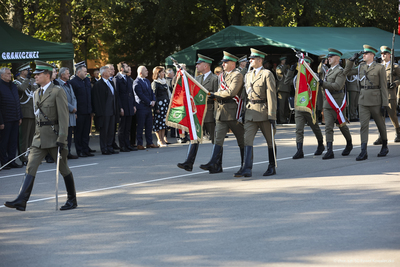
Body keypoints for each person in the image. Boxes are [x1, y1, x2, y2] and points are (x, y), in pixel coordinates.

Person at [4, 60, 77, 211]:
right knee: (30, 167)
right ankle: (21, 200)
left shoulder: (57, 91)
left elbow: (63, 117)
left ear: (47, 75)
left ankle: (72, 199)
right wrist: (34, 139)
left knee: (63, 169)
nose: (35, 76)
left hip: (55, 138)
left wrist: (62, 138)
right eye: (35, 74)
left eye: (38, 74)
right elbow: (38, 118)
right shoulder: (37, 93)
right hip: (39, 139)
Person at [234, 48, 277, 177]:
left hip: (263, 112)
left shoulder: (267, 74)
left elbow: (271, 95)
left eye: (252, 59)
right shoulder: (247, 75)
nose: (250, 61)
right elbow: (244, 95)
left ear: (260, 60)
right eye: (250, 59)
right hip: (250, 112)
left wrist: (272, 115)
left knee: (270, 141)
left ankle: (272, 166)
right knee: (247, 139)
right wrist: (242, 111)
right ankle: (247, 168)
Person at [200, 51, 244, 174]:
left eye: (225, 62)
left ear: (233, 64)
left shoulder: (237, 75)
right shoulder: (222, 76)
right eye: (223, 62)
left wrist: (214, 94)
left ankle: (244, 165)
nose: (223, 64)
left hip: (233, 111)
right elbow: (221, 92)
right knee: (218, 139)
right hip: (221, 112)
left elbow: (231, 92)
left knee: (242, 140)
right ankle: (214, 162)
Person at [344, 45, 389, 160]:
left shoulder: (379, 67)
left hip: (376, 100)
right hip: (363, 100)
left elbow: (384, 87)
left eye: (366, 54)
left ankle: (384, 145)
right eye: (363, 53)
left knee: (380, 125)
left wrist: (385, 104)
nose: (364, 55)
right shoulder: (360, 67)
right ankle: (363, 151)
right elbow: (346, 72)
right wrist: (351, 61)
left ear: (373, 55)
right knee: (363, 126)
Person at [177, 54, 218, 171]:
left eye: (199, 64)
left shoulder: (215, 79)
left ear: (206, 65)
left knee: (216, 139)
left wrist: (216, 114)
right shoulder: (197, 79)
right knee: (194, 137)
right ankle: (188, 162)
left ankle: (216, 164)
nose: (197, 66)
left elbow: (217, 97)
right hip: (199, 114)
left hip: (210, 111)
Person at [285, 56, 325, 159]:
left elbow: (318, 92)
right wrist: (291, 70)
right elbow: (286, 83)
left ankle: (321, 144)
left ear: (308, 65)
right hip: (299, 106)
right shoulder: (296, 76)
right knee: (299, 129)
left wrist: (320, 107)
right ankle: (299, 150)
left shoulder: (314, 76)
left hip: (310, 106)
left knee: (315, 127)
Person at [319, 48, 353, 160]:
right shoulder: (328, 71)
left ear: (337, 58)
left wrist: (324, 84)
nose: (328, 58)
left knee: (341, 125)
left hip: (338, 103)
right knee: (328, 127)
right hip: (328, 103)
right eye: (328, 56)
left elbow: (338, 86)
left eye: (331, 56)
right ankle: (329, 150)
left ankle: (349, 143)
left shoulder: (340, 71)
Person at [372, 46, 400, 144]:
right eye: (381, 54)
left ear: (389, 55)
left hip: (390, 95)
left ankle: (398, 132)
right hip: (379, 95)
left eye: (385, 53)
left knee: (392, 115)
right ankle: (381, 136)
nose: (382, 55)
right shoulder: (378, 66)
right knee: (380, 117)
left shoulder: (395, 67)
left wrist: (395, 83)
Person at [92, 65, 120, 155]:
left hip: (112, 110)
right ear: (103, 73)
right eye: (108, 71)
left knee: (111, 130)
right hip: (104, 112)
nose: (110, 73)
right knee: (104, 131)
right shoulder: (98, 85)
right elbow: (96, 100)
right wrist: (99, 112)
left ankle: (109, 147)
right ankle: (104, 148)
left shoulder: (110, 83)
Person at [14, 62, 38, 165]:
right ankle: (23, 157)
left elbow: (37, 90)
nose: (29, 72)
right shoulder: (17, 82)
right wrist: (27, 79)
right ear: (22, 71)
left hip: (33, 111)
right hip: (25, 112)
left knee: (32, 136)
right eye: (27, 70)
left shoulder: (32, 80)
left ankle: (31, 156)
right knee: (24, 136)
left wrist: (29, 80)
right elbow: (21, 89)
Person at [70, 62, 94, 157]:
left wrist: (91, 109)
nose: (86, 73)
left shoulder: (87, 81)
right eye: (84, 71)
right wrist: (74, 112)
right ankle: (79, 150)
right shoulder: (73, 82)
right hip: (79, 111)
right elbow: (73, 98)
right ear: (78, 72)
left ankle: (86, 149)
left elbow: (90, 95)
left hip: (87, 111)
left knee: (86, 132)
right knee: (78, 132)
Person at [0, 67, 23, 170]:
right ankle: (4, 162)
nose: (10, 75)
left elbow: (17, 102)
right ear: (2, 75)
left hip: (15, 118)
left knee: (13, 141)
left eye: (10, 73)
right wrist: (1, 121)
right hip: (5, 120)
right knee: (4, 142)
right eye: (8, 74)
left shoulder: (13, 85)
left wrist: (19, 116)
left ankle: (12, 160)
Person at [133, 66, 158, 150]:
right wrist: (149, 102)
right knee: (140, 126)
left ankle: (149, 142)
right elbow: (140, 95)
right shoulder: (136, 82)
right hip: (141, 107)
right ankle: (139, 143)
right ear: (140, 72)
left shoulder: (147, 81)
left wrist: (153, 100)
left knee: (149, 125)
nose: (147, 72)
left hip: (148, 107)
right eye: (145, 70)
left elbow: (151, 92)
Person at [56, 67, 78, 159]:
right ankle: (62, 153)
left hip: (72, 112)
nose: (69, 75)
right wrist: (71, 107)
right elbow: (62, 99)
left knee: (69, 134)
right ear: (62, 75)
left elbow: (73, 97)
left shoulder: (68, 84)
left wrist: (74, 107)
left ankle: (68, 152)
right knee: (64, 134)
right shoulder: (58, 84)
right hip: (65, 112)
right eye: (67, 73)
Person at [115, 62, 136, 152]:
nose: (129, 68)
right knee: (122, 127)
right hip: (123, 105)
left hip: (129, 105)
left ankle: (128, 144)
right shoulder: (117, 79)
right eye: (127, 66)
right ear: (122, 69)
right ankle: (122, 145)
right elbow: (117, 95)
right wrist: (120, 107)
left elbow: (132, 93)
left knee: (128, 127)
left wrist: (134, 105)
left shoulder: (128, 78)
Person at [151, 66, 170, 147]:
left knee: (163, 123)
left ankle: (162, 139)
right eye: (162, 72)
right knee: (158, 123)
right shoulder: (155, 83)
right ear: (158, 73)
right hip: (159, 105)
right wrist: (156, 107)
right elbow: (154, 96)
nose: (164, 73)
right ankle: (159, 140)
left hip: (165, 104)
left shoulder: (164, 82)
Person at [276, 56, 291, 124]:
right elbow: (280, 72)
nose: (284, 61)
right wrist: (285, 66)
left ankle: (285, 118)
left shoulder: (286, 67)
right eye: (283, 60)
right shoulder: (278, 67)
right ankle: (281, 119)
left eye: (285, 60)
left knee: (286, 106)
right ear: (281, 61)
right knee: (281, 106)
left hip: (287, 88)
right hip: (281, 89)